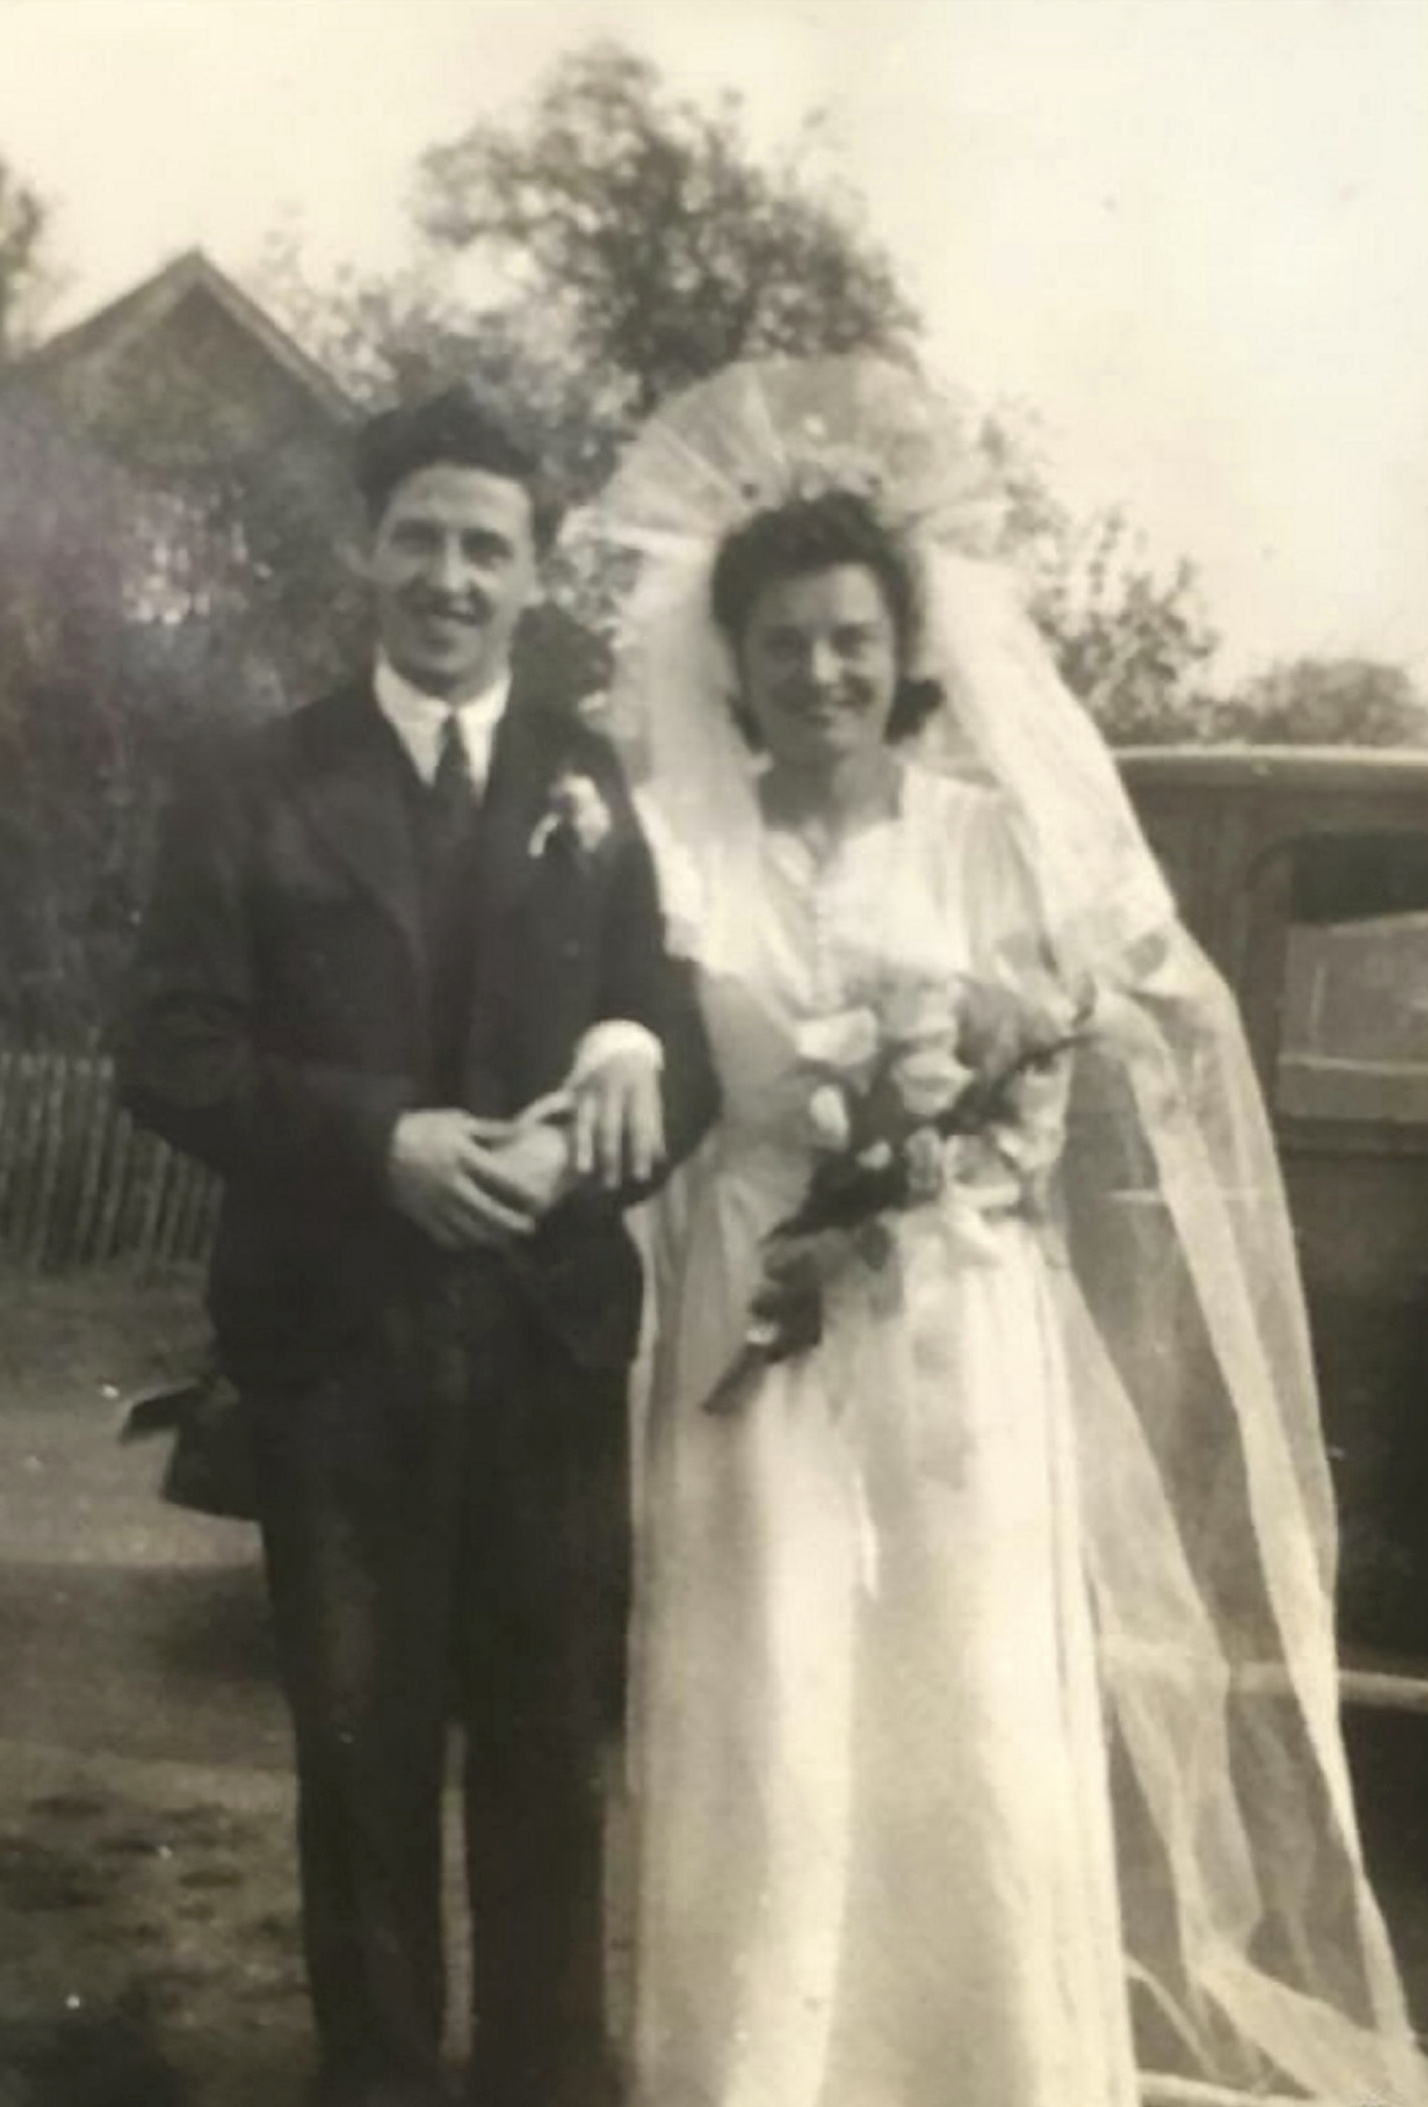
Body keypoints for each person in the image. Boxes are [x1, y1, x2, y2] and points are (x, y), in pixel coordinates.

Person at [597, 358, 1428, 2107]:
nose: (819, 673)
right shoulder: (678, 852)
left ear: (906, 653)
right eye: (783, 644)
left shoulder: (993, 844)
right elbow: (644, 1066)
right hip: (748, 1335)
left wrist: (987, 1092)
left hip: (957, 1328)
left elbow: (1129, 1029)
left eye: (850, 639)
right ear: (729, 664)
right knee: (776, 1698)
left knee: (962, 1699)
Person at [116, 383, 717, 2107]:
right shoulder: (257, 777)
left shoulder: (587, 777)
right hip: (341, 1345)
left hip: (547, 1341)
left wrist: (636, 1047)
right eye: (421, 540)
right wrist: (376, 1141)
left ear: (536, 579)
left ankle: (547, 2075)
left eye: (488, 547)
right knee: (362, 1752)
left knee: (548, 1754)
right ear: (363, 554)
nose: (451, 577)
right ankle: (375, 2082)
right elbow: (168, 1047)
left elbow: (663, 995)